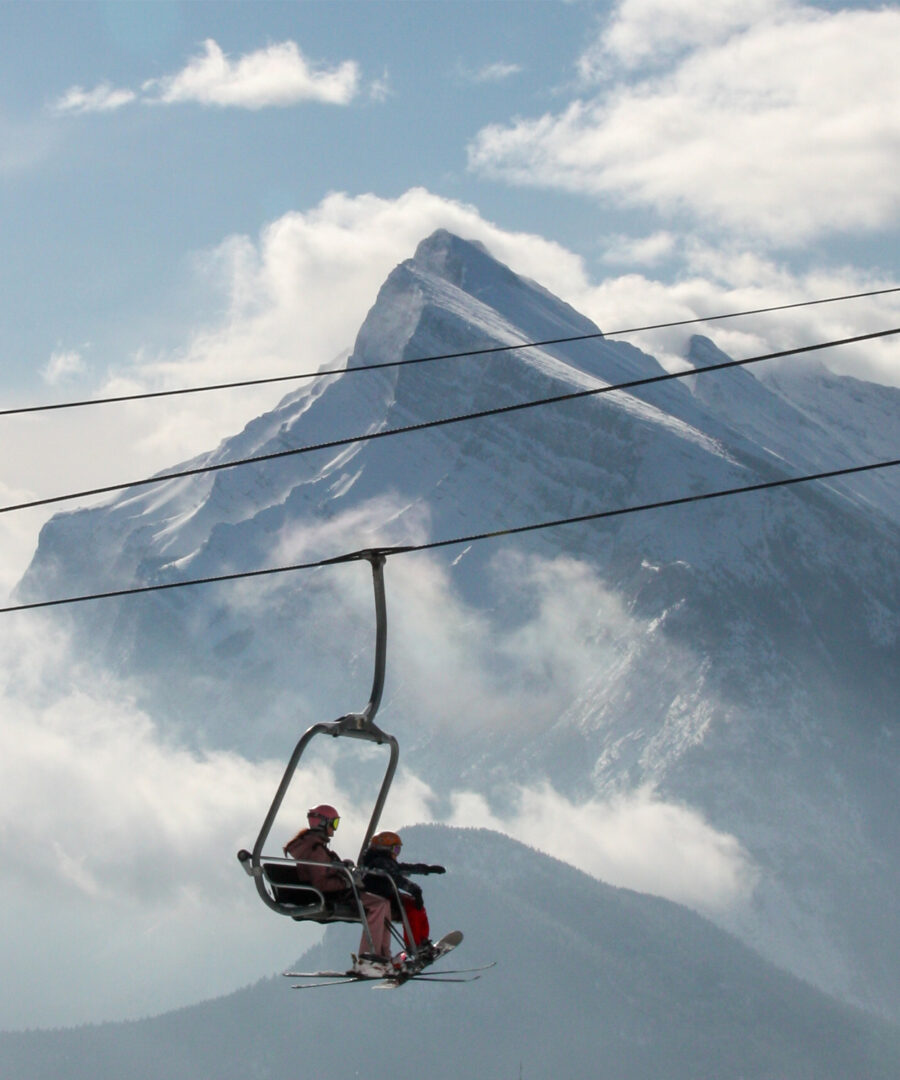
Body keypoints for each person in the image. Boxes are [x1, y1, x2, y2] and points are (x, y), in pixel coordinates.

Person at [283, 804, 392, 975]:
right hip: (332, 896)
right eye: (333, 824)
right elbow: (322, 883)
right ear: (323, 823)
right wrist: (348, 882)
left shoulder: (314, 847)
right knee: (379, 905)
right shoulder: (315, 851)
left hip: (333, 893)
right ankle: (369, 958)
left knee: (384, 904)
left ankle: (382, 957)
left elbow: (325, 872)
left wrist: (342, 868)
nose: (333, 830)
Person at [362, 830, 446, 958]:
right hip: (380, 895)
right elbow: (395, 877)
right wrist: (415, 890)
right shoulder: (380, 862)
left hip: (387, 895)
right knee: (412, 908)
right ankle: (416, 944)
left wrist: (426, 869)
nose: (397, 854)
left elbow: (402, 868)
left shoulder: (384, 861)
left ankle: (421, 941)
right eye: (396, 850)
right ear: (385, 849)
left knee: (416, 906)